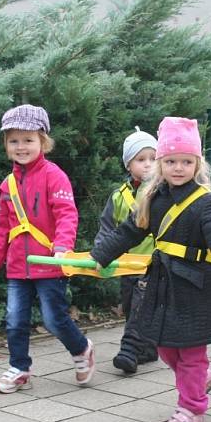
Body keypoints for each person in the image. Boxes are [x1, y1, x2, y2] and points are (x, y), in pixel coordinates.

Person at [91, 116, 211, 422]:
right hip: (162, 283)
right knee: (164, 347)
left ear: (197, 164)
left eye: (186, 161)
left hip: (196, 287)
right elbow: (128, 232)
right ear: (161, 163)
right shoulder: (153, 198)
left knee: (190, 352)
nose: (178, 168)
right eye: (172, 161)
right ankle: (201, 377)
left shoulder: (207, 203)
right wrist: (99, 255)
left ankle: (192, 409)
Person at [0, 104, 96, 394]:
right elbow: (3, 230)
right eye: (14, 140)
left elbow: (67, 214)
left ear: (43, 141)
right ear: (6, 145)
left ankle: (81, 349)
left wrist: (62, 248)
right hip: (18, 266)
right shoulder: (7, 186)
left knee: (54, 319)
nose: (21, 146)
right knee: (15, 320)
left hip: (49, 262)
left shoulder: (54, 176)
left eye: (28, 140)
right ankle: (19, 368)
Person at [95, 127, 159, 374]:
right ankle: (149, 348)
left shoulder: (159, 193)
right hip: (126, 264)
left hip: (153, 264)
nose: (148, 165)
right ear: (128, 165)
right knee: (131, 305)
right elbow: (108, 227)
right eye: (141, 160)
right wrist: (101, 253)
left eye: (154, 159)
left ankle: (129, 350)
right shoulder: (119, 196)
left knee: (142, 304)